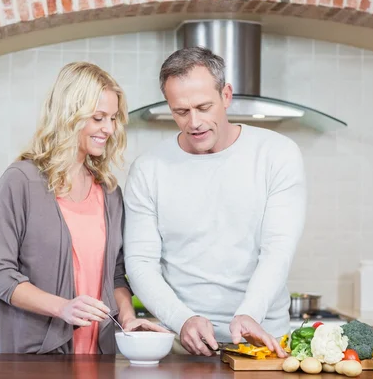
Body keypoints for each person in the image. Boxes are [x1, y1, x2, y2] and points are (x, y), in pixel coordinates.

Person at [123, 47, 306, 357]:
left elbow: (277, 249)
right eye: (180, 111)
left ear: (226, 95)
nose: (194, 122)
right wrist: (182, 320)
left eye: (203, 107)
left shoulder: (277, 154)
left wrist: (249, 313)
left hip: (262, 343)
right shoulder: (148, 168)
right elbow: (140, 262)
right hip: (185, 346)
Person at [0, 62, 166, 355]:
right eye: (98, 118)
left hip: (95, 353)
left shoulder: (109, 191)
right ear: (70, 116)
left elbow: (115, 276)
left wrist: (128, 319)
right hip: (32, 354)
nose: (109, 129)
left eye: (113, 118)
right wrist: (63, 307)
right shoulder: (21, 181)